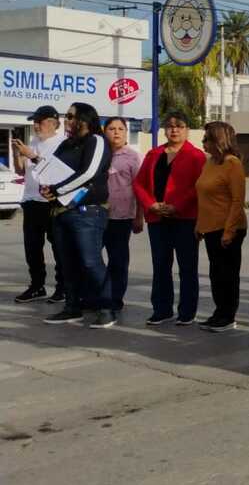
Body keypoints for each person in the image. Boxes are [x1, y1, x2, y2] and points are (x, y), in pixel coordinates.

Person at [40, 103, 113, 327]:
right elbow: (51, 168)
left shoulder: (96, 140)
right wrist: (46, 186)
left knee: (91, 262)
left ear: (84, 118)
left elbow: (89, 173)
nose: (67, 120)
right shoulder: (66, 144)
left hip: (87, 212)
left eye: (71, 116)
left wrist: (57, 189)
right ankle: (72, 307)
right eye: (67, 116)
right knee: (66, 263)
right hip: (61, 211)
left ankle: (107, 308)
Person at [134, 111, 206, 326]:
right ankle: (162, 309)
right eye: (170, 126)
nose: (174, 129)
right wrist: (151, 205)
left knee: (187, 267)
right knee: (160, 265)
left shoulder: (197, 156)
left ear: (187, 130)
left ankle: (187, 311)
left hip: (185, 218)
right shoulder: (153, 154)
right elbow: (139, 184)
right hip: (158, 219)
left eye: (180, 126)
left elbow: (198, 186)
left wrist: (177, 206)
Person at [194, 121, 247, 332]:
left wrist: (229, 230)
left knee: (228, 274)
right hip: (209, 228)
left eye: (207, 138)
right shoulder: (210, 163)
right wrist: (199, 224)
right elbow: (203, 196)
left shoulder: (232, 163)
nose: (203, 142)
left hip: (228, 228)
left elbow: (237, 200)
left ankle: (228, 315)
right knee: (216, 273)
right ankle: (219, 312)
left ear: (219, 140)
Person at [11, 105, 65, 303]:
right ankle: (37, 286)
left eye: (39, 121)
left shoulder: (62, 143)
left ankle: (62, 287)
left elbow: (56, 171)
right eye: (34, 121)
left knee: (59, 247)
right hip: (31, 200)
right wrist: (18, 154)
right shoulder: (33, 141)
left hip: (51, 202)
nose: (35, 125)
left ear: (53, 123)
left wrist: (31, 154)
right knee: (32, 247)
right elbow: (20, 171)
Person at [102, 117, 143, 314]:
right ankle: (96, 295)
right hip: (97, 216)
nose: (116, 132)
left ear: (126, 133)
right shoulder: (99, 155)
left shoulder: (133, 157)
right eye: (111, 128)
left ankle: (115, 298)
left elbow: (140, 188)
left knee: (118, 260)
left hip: (122, 217)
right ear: (104, 131)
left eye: (120, 129)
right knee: (89, 258)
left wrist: (139, 216)